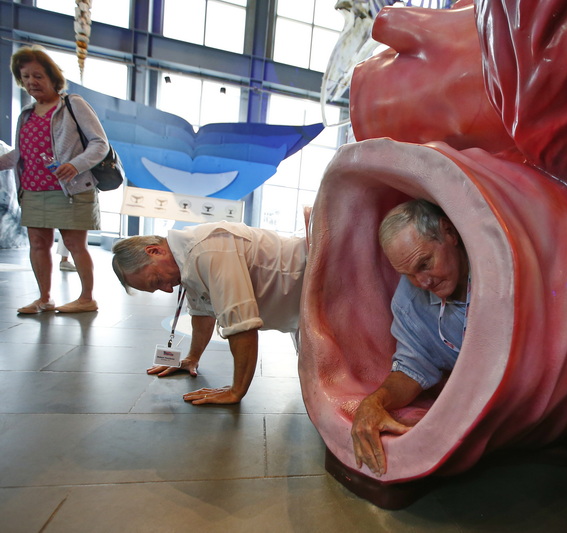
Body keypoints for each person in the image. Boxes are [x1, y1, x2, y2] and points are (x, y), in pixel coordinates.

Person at [111, 221, 306, 405]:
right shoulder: (185, 257)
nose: (168, 289)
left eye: (157, 281)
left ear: (154, 251)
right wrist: (192, 358)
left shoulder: (207, 251)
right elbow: (201, 312)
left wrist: (236, 391)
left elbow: (241, 324)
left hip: (321, 284)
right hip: (303, 301)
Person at [351, 199, 470, 476]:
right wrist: (374, 402)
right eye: (408, 274)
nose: (423, 282)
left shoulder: (497, 275)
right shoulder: (409, 299)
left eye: (425, 263)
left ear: (449, 233)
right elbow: (413, 367)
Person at [0, 46, 107, 314]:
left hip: (70, 190)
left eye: (37, 76)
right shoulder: (26, 113)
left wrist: (75, 164)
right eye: (25, 77)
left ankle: (87, 298)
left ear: (52, 77)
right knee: (38, 244)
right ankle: (44, 298)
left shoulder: (72, 104)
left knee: (74, 245)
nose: (31, 82)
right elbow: (23, 154)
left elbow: (99, 144)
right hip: (33, 190)